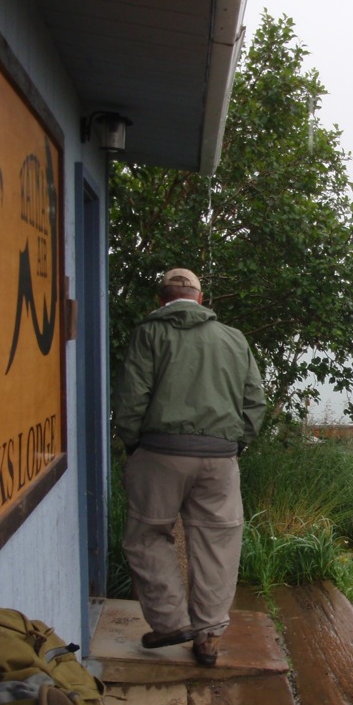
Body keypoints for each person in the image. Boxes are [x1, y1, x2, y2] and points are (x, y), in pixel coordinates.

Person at [112, 267, 266, 666]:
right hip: (219, 458)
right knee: (218, 542)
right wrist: (235, 443)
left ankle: (170, 621)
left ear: (161, 299)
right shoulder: (233, 339)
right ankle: (209, 636)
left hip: (159, 454)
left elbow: (131, 399)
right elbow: (254, 402)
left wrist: (133, 444)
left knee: (147, 535)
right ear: (201, 299)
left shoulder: (149, 333)